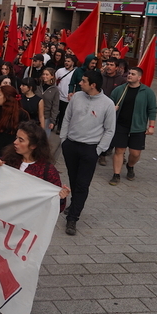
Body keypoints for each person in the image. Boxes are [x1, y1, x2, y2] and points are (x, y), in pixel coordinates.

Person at [0, 120, 70, 314]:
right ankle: (1, 305)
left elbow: (57, 208)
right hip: (4, 226)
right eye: (16, 137)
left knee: (16, 269)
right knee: (1, 266)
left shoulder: (47, 171)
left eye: (20, 140)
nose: (15, 142)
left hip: (26, 231)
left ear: (33, 145)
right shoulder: (9, 161)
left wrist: (61, 198)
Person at [60, 70, 116, 236]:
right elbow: (67, 118)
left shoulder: (107, 104)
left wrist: (99, 150)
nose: (80, 83)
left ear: (93, 85)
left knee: (83, 184)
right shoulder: (77, 97)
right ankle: (74, 203)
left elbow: (109, 129)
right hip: (71, 146)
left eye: (83, 81)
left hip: (90, 149)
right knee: (73, 178)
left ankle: (73, 218)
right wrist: (64, 140)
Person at [108, 67, 157, 185]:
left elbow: (152, 109)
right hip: (121, 125)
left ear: (139, 77)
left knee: (135, 153)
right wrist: (112, 109)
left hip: (138, 126)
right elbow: (109, 104)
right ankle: (116, 175)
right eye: (129, 73)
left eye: (133, 74)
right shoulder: (119, 90)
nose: (129, 75)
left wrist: (151, 126)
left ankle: (130, 166)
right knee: (119, 150)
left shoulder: (147, 92)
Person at [54, 55, 77, 132]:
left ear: (73, 63)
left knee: (63, 114)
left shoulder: (75, 73)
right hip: (58, 96)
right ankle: (53, 124)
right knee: (55, 112)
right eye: (65, 61)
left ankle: (60, 128)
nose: (66, 63)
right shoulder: (60, 71)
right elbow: (54, 81)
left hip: (67, 98)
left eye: (68, 61)